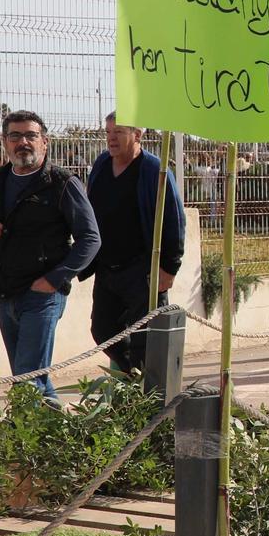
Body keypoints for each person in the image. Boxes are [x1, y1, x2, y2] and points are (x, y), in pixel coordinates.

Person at [0, 111, 101, 402]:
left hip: (42, 295)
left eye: (31, 136)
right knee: (34, 378)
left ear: (44, 142)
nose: (23, 142)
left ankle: (22, 446)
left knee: (27, 378)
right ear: (4, 142)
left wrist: (55, 279)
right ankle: (60, 440)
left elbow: (90, 238)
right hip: (5, 292)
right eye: (15, 136)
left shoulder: (61, 183)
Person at [83, 115, 184, 376]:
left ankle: (148, 399)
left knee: (146, 338)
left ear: (137, 135)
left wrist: (169, 269)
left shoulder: (154, 170)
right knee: (103, 331)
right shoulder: (102, 164)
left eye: (118, 131)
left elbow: (173, 221)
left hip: (142, 269)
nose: (111, 138)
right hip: (107, 267)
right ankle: (133, 375)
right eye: (107, 132)